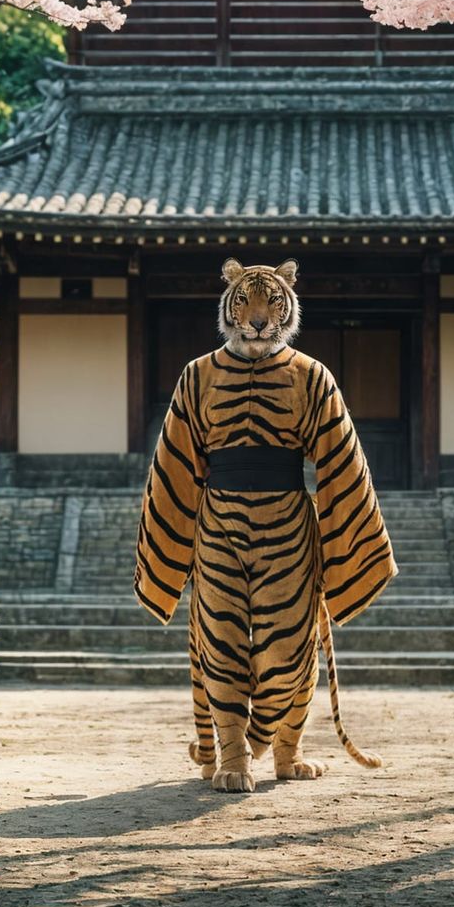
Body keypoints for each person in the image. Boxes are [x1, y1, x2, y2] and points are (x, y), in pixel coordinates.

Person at [133, 257, 395, 792]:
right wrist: (169, 551)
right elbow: (174, 467)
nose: (256, 317)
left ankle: (284, 748)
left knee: (290, 647)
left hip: (289, 524)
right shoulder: (197, 375)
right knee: (220, 641)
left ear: (288, 306)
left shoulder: (312, 375)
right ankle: (232, 754)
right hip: (218, 527)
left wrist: (347, 544)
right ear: (228, 306)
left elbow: (342, 464)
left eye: (271, 303)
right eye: (245, 303)